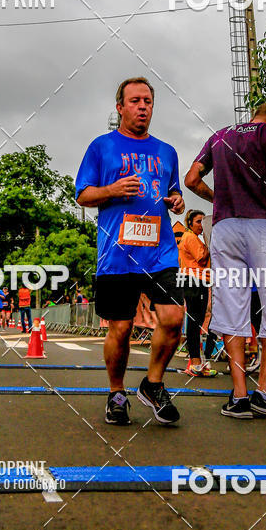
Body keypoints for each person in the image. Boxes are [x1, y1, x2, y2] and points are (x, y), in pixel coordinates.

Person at [76, 76, 185, 426]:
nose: (142, 107)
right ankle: (117, 393)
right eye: (135, 101)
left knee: (173, 318)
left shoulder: (167, 152)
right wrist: (111, 189)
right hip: (117, 254)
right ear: (120, 107)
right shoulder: (101, 147)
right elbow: (82, 195)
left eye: (148, 102)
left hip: (160, 251)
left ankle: (153, 384)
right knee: (120, 329)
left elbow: (172, 193)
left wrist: (178, 201)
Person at [185, 102, 266, 419]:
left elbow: (191, 178)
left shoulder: (220, 136)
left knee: (231, 306)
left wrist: (217, 198)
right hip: (262, 225)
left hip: (226, 227)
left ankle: (239, 396)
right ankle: (264, 391)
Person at [178, 209, 215, 377]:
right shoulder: (190, 237)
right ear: (190, 223)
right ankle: (195, 363)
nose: (201, 225)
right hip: (194, 281)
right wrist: (210, 245)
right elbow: (201, 257)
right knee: (195, 322)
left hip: (198, 281)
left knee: (197, 322)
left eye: (203, 221)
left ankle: (196, 361)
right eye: (199, 221)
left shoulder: (193, 237)